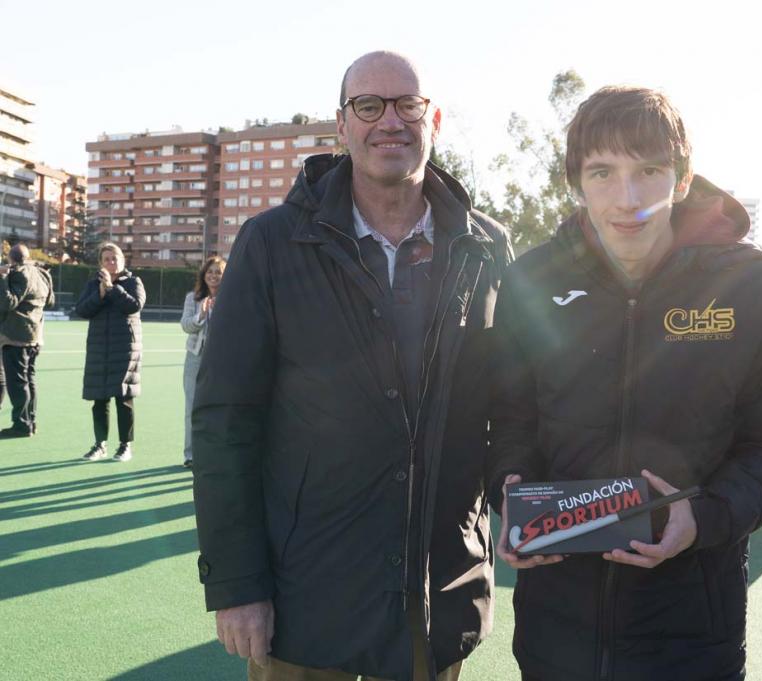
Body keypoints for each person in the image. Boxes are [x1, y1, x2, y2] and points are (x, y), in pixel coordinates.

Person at [487, 86, 762, 681]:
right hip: (555, 628)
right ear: (576, 181)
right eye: (602, 172)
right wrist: (511, 494)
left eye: (649, 171)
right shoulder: (529, 283)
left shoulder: (755, 291)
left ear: (684, 176)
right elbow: (508, 421)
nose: (629, 198)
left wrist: (707, 516)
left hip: (692, 630)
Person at [192, 51, 511, 681]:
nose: (388, 121)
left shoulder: (488, 247)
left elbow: (508, 405)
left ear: (434, 118)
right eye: (369, 106)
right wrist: (236, 584)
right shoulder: (272, 243)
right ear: (342, 125)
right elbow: (224, 423)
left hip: (436, 596)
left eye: (407, 105)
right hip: (305, 603)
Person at [75, 242, 145, 462]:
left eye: (114, 258)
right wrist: (101, 293)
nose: (111, 263)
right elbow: (82, 310)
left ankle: (125, 446)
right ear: (100, 263)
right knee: (99, 399)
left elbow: (134, 305)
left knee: (123, 397)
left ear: (122, 260)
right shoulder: (93, 284)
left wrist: (113, 289)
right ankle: (100, 444)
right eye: (106, 259)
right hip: (98, 348)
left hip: (125, 349)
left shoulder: (134, 282)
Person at [0, 244, 54, 438]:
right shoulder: (41, 273)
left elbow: (8, 302)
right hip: (35, 335)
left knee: (17, 382)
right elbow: (50, 302)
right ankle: (30, 421)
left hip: (15, 336)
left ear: (11, 259)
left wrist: (3, 278)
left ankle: (21, 425)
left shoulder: (18, 274)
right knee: (29, 380)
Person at [180, 255, 225, 469]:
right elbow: (186, 325)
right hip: (195, 358)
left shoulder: (230, 298)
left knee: (218, 407)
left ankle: (214, 452)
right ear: (204, 275)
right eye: (210, 271)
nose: (214, 275)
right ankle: (190, 454)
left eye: (218, 272)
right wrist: (201, 314)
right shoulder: (193, 298)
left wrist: (216, 312)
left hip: (220, 360)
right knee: (192, 407)